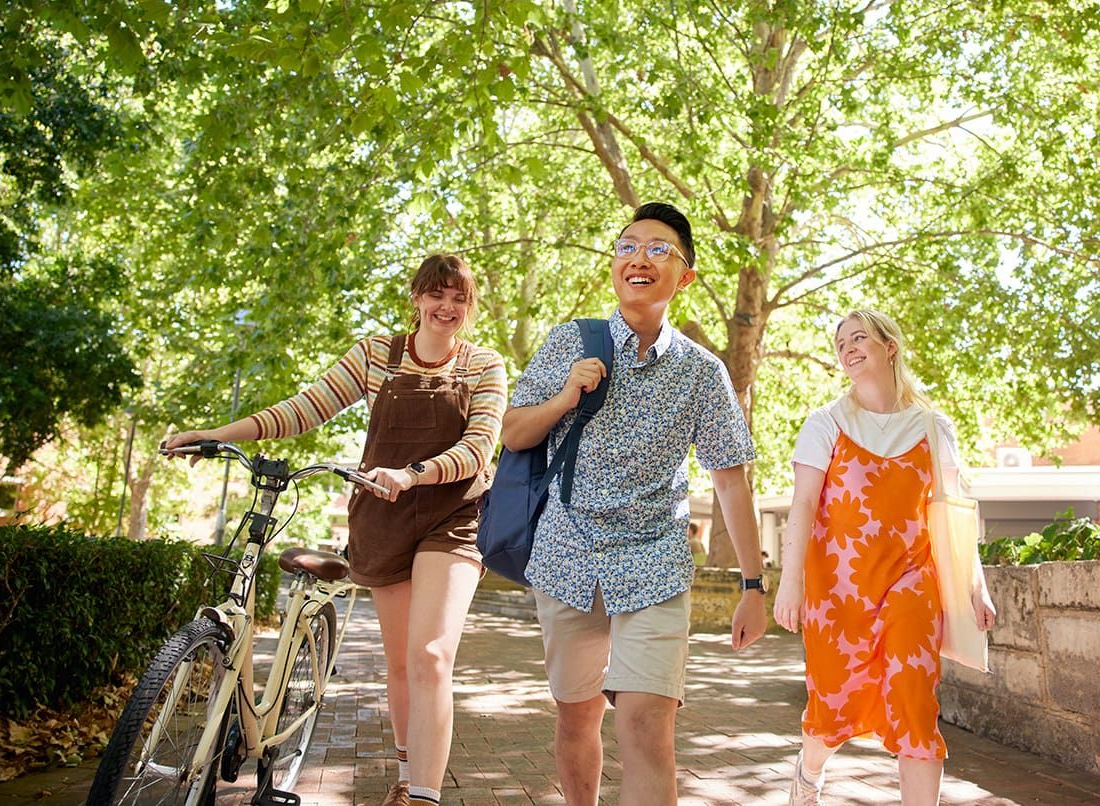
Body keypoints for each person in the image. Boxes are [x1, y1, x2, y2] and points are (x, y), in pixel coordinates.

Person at [165, 254, 507, 806]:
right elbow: (304, 409)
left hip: (455, 515)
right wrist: (215, 433)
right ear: (417, 298)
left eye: (460, 299)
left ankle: (423, 795)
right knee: (400, 661)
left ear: (469, 307)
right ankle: (403, 770)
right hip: (385, 516)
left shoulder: (483, 365)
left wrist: (411, 473)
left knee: (431, 657)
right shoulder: (376, 355)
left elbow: (478, 448)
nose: (448, 307)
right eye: (438, 295)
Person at [500, 202, 768, 805]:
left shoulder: (703, 372)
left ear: (685, 275)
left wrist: (754, 585)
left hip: (654, 562)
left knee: (648, 724)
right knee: (577, 718)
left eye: (656, 249)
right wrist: (568, 393)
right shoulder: (571, 340)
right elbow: (515, 432)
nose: (637, 258)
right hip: (567, 556)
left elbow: (731, 479)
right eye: (626, 247)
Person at [773, 310, 997, 806]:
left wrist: (975, 588)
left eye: (860, 338)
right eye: (841, 343)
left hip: (913, 580)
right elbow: (804, 505)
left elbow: (952, 516)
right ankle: (809, 773)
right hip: (838, 590)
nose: (848, 348)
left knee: (916, 700)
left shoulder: (933, 428)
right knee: (834, 704)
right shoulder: (825, 423)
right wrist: (790, 583)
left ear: (889, 346)